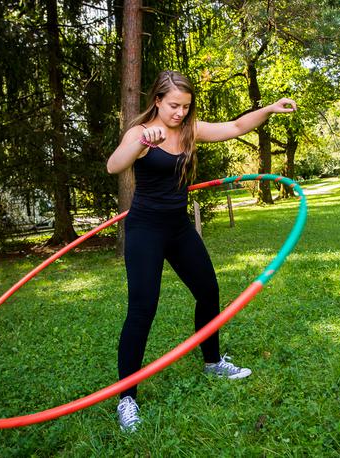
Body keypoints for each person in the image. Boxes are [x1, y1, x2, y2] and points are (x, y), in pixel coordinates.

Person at [107, 70, 297, 432]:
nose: (179, 112)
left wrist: (269, 108)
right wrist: (141, 143)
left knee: (208, 290)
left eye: (186, 106)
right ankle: (126, 398)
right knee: (142, 308)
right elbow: (114, 165)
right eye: (174, 105)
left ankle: (212, 361)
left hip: (178, 228)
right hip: (146, 229)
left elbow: (237, 127)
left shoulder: (190, 130)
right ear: (157, 100)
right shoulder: (140, 132)